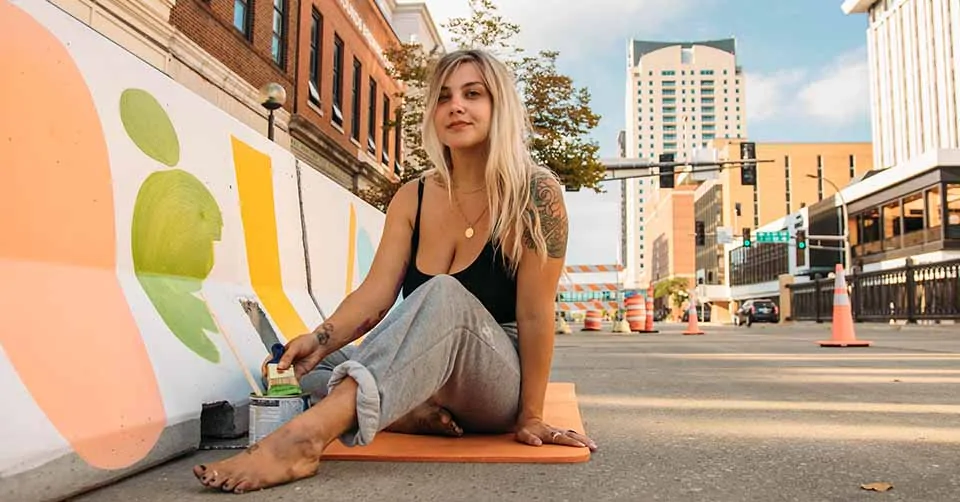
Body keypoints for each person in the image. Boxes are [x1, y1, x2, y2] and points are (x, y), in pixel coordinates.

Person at [193, 48, 596, 494]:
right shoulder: (412, 197)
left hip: (494, 382)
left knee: (443, 293)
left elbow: (536, 314)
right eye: (443, 97)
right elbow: (376, 294)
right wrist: (318, 340)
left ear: (499, 106)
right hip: (428, 371)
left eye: (472, 94)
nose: (456, 106)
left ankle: (304, 439)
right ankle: (408, 413)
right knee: (305, 363)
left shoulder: (535, 192)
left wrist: (531, 415)